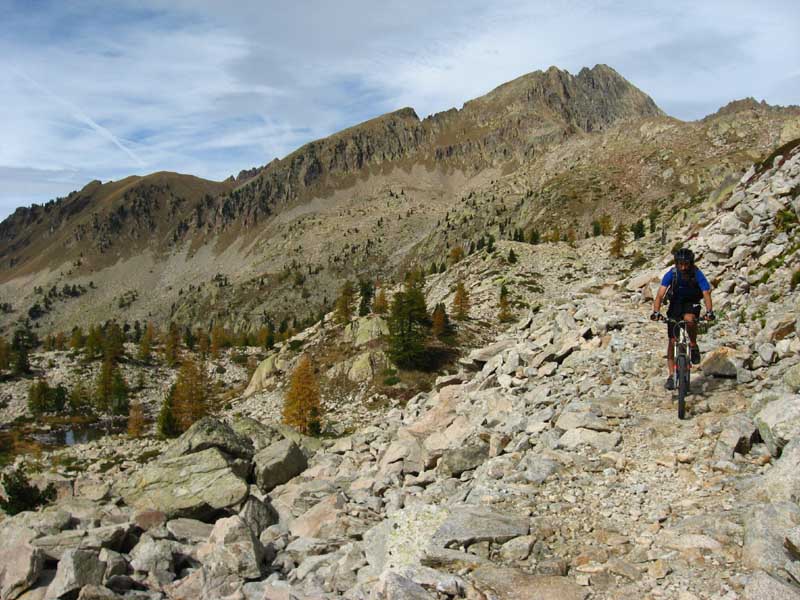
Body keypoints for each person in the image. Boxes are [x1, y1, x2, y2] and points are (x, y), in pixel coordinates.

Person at [650, 248, 715, 390]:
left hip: (692, 302)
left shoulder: (696, 273)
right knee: (672, 341)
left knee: (690, 319)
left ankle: (692, 344)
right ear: (677, 263)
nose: (683, 267)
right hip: (675, 303)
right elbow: (660, 294)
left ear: (691, 263)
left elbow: (706, 292)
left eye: (686, 264)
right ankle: (671, 375)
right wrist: (656, 312)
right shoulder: (672, 274)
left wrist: (709, 311)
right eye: (680, 264)